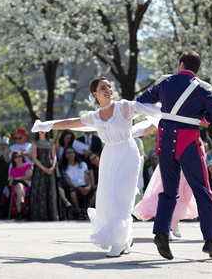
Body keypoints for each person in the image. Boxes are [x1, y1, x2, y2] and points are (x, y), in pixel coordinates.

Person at [31, 77, 161, 257]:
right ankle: (123, 239)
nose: (108, 90)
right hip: (108, 156)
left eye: (109, 87)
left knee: (120, 196)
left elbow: (149, 108)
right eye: (103, 88)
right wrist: (46, 125)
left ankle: (118, 242)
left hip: (127, 153)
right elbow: (70, 123)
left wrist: (177, 112)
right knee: (107, 197)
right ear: (94, 94)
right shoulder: (94, 117)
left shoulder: (123, 107)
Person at [136, 50, 212, 260]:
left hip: (165, 140)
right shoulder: (202, 89)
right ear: (196, 69)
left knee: (169, 191)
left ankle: (161, 233)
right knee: (202, 190)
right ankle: (210, 240)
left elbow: (143, 100)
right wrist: (202, 116)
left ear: (181, 64)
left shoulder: (165, 84)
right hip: (189, 142)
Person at [133, 165, 198, 239]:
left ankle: (174, 222)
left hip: (184, 164)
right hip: (169, 161)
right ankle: (165, 229)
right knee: (167, 193)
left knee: (184, 195)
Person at [29, 131, 58, 221]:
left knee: (50, 191)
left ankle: (51, 215)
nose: (42, 130)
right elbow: (34, 158)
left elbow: (54, 156)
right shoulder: (34, 142)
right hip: (39, 170)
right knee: (40, 191)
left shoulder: (51, 142)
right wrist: (44, 168)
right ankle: (40, 215)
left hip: (50, 169)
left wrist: (53, 167)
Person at [60, 146, 95, 220]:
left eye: (72, 152)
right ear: (65, 156)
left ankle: (86, 211)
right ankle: (79, 212)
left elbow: (87, 178)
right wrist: (78, 188)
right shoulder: (64, 167)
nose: (70, 154)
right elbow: (68, 182)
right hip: (74, 187)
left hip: (85, 185)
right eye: (68, 153)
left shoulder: (83, 164)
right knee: (72, 193)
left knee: (97, 192)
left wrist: (88, 187)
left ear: (75, 153)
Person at [9, 150, 33, 221]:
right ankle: (22, 203)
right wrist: (13, 181)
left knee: (20, 187)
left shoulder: (28, 165)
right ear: (13, 159)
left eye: (19, 156)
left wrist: (16, 179)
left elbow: (27, 177)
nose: (18, 158)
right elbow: (10, 182)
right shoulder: (12, 169)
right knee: (19, 186)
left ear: (22, 157)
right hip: (16, 188)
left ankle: (19, 213)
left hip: (26, 188)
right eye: (15, 157)